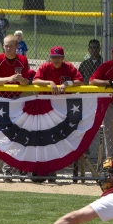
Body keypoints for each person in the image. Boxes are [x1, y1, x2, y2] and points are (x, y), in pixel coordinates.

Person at [29, 45, 84, 184]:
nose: (57, 59)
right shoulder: (45, 67)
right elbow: (35, 80)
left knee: (56, 139)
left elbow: (81, 81)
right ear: (50, 57)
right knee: (42, 138)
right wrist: (49, 82)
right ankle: (39, 170)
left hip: (63, 110)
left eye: (59, 57)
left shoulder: (69, 67)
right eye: (54, 57)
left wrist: (67, 83)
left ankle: (51, 170)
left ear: (63, 58)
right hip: (45, 109)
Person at [0, 34, 35, 182]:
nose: (8, 48)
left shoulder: (22, 60)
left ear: (16, 47)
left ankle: (19, 167)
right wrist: (9, 79)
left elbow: (26, 82)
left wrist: (21, 80)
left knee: (20, 134)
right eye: (5, 46)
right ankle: (7, 169)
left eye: (11, 46)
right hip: (2, 99)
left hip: (17, 99)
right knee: (5, 135)